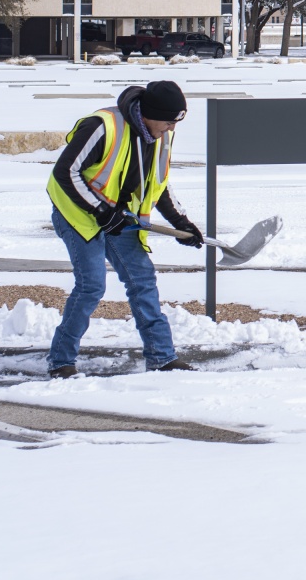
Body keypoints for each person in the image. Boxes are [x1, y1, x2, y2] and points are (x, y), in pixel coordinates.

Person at [45, 79, 203, 377]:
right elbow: (65, 172)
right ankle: (61, 360)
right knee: (92, 285)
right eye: (168, 120)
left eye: (175, 121)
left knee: (142, 280)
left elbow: (158, 185)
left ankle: (162, 357)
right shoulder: (103, 126)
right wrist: (101, 210)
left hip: (120, 217)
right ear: (150, 113)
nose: (171, 128)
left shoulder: (160, 135)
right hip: (78, 214)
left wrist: (181, 222)